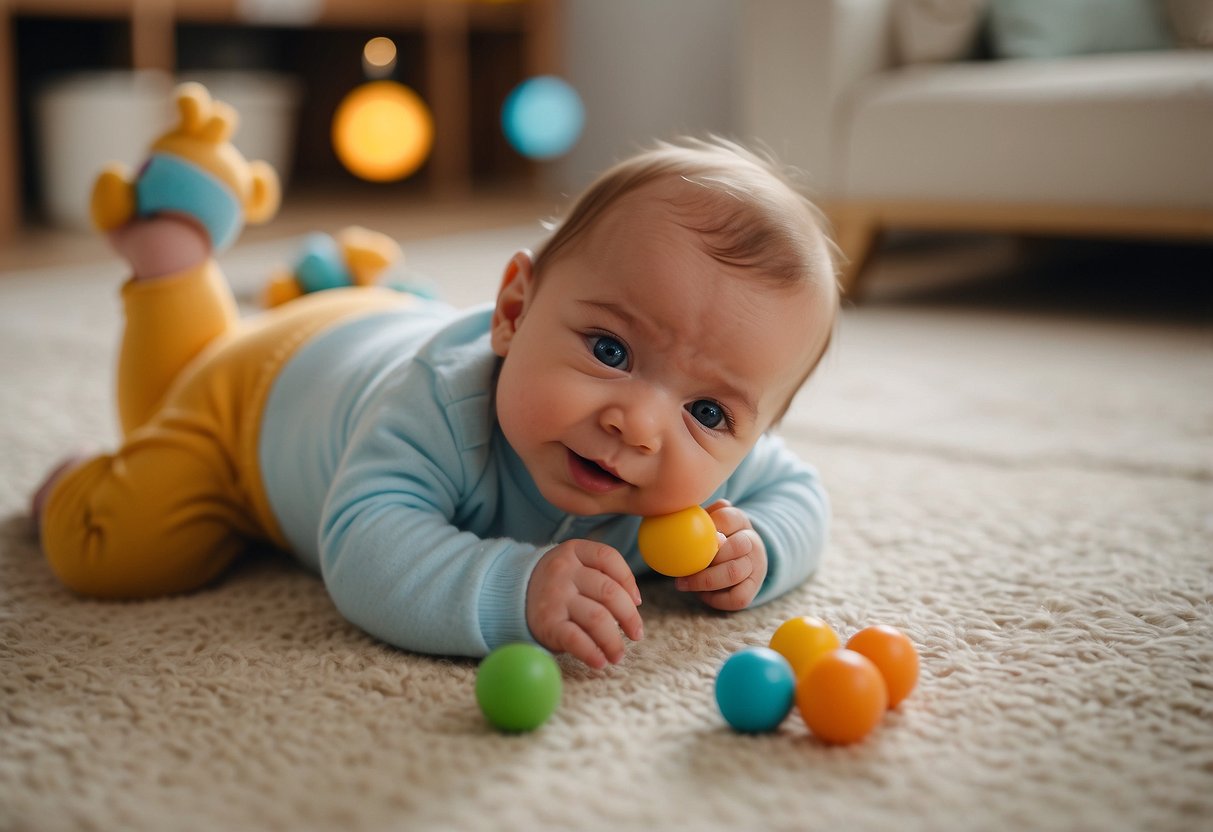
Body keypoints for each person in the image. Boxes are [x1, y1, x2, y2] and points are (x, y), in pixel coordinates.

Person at [33, 84, 839, 670]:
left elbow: (800, 495)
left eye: (706, 410)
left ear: (752, 433)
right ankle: (169, 269)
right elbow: (362, 548)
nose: (640, 423)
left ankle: (322, 282)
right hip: (255, 399)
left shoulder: (713, 470)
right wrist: (513, 590)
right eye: (611, 352)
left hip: (368, 325)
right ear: (514, 313)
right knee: (122, 551)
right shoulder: (442, 408)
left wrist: (759, 549)